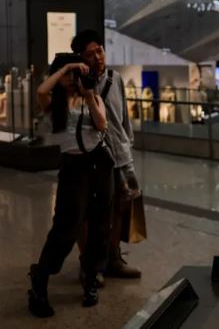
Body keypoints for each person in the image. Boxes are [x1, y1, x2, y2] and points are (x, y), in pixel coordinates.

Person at [28, 54, 113, 317]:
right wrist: (67, 66)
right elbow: (41, 90)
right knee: (67, 225)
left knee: (99, 225)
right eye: (67, 74)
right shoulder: (53, 103)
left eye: (75, 74)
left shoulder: (92, 97)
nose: (72, 78)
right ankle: (41, 277)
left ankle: (91, 279)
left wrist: (89, 94)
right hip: (73, 168)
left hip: (99, 165)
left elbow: (102, 124)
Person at [71, 30, 142, 283]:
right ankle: (88, 263)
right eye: (90, 54)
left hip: (120, 155)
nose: (98, 57)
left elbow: (123, 118)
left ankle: (112, 258)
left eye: (99, 51)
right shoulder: (75, 84)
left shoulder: (116, 78)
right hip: (92, 158)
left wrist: (127, 145)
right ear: (81, 58)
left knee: (121, 206)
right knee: (87, 211)